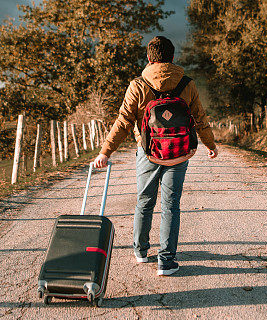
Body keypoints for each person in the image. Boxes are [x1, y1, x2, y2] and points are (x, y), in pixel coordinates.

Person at [92, 36, 218, 276]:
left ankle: (140, 251)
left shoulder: (137, 85)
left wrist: (105, 151)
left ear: (149, 58)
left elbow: (124, 121)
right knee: (171, 205)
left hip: (148, 152)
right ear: (172, 58)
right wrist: (210, 144)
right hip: (180, 154)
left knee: (144, 201)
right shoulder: (187, 84)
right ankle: (167, 260)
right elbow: (199, 118)